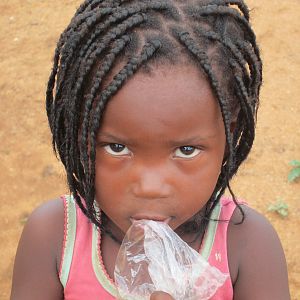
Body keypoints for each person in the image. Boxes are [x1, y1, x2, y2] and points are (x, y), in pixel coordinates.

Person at [10, 0, 290, 299]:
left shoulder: (247, 244)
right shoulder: (54, 236)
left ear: (230, 134)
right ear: (80, 133)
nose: (150, 187)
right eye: (117, 147)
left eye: (186, 150)